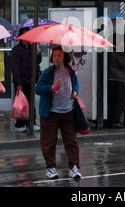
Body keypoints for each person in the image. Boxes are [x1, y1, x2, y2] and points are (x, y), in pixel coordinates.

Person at [35, 45, 81, 180]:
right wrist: (52, 87)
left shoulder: (71, 72)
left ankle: (74, 167)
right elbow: (38, 89)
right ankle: (50, 168)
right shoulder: (48, 73)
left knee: (71, 141)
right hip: (50, 113)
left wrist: (75, 92)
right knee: (49, 142)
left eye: (59, 55)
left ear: (64, 57)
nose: (56, 58)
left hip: (68, 112)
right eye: (54, 55)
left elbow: (76, 84)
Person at [10, 27, 41, 132]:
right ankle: (19, 124)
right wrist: (18, 83)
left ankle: (31, 122)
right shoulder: (16, 50)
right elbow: (15, 67)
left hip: (30, 80)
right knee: (21, 103)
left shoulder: (32, 48)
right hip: (21, 81)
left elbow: (37, 62)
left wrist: (38, 53)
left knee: (31, 102)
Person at [107, 35, 125, 128]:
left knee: (112, 101)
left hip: (113, 78)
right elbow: (123, 64)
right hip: (117, 79)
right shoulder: (118, 52)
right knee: (119, 101)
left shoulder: (112, 51)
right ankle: (115, 121)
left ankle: (111, 121)